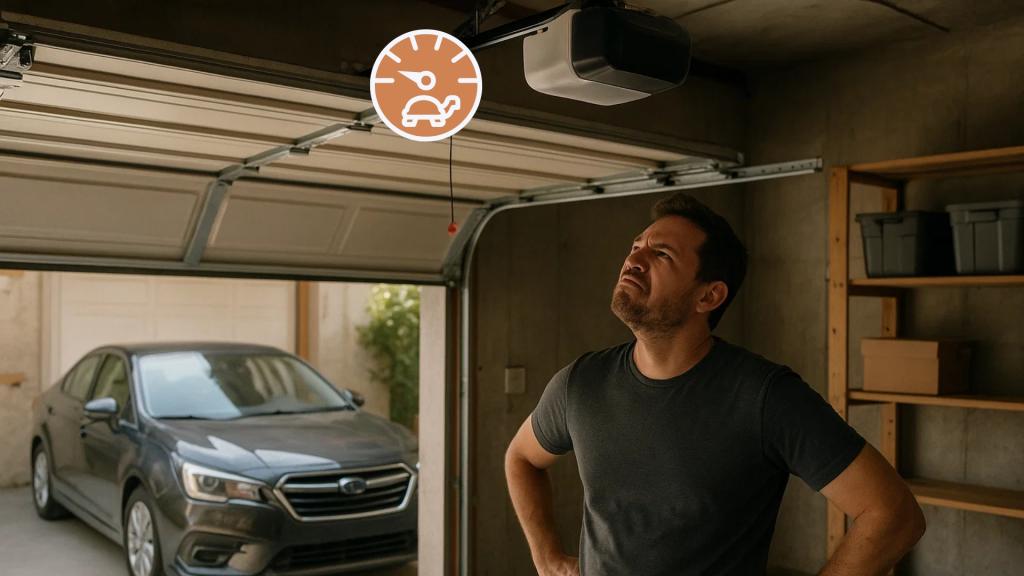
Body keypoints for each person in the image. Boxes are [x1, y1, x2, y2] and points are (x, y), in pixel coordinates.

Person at [504, 193, 925, 576]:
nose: (634, 259)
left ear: (708, 296)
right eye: (636, 247)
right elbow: (521, 458)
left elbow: (893, 514)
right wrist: (547, 560)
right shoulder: (581, 384)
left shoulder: (765, 397)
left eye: (661, 254)